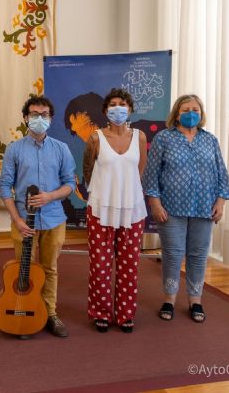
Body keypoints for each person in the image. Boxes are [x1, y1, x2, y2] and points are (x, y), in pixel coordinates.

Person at [142, 94, 229, 323]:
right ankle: (169, 299)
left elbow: (222, 174)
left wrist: (220, 202)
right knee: (172, 255)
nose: (191, 114)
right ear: (176, 114)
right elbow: (151, 174)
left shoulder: (210, 140)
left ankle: (195, 300)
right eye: (185, 110)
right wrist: (155, 203)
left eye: (195, 110)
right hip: (170, 208)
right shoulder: (164, 138)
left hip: (204, 208)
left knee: (198, 255)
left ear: (201, 113)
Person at [0, 95, 76, 338]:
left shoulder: (61, 149)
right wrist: (17, 220)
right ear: (25, 118)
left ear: (50, 118)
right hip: (24, 222)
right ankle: (26, 310)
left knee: (49, 268)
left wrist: (50, 196)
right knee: (25, 270)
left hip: (54, 219)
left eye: (44, 115)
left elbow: (70, 184)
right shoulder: (14, 149)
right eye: (34, 114)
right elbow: (4, 187)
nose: (39, 119)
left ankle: (50, 312)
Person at [82, 88, 147, 333]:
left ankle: (125, 314)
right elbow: (87, 171)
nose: (117, 108)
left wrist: (125, 191)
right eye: (112, 104)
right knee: (100, 267)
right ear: (105, 110)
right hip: (101, 209)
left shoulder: (140, 137)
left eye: (122, 104)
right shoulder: (95, 138)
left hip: (132, 210)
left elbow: (140, 170)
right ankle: (100, 313)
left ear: (130, 109)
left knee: (129, 266)